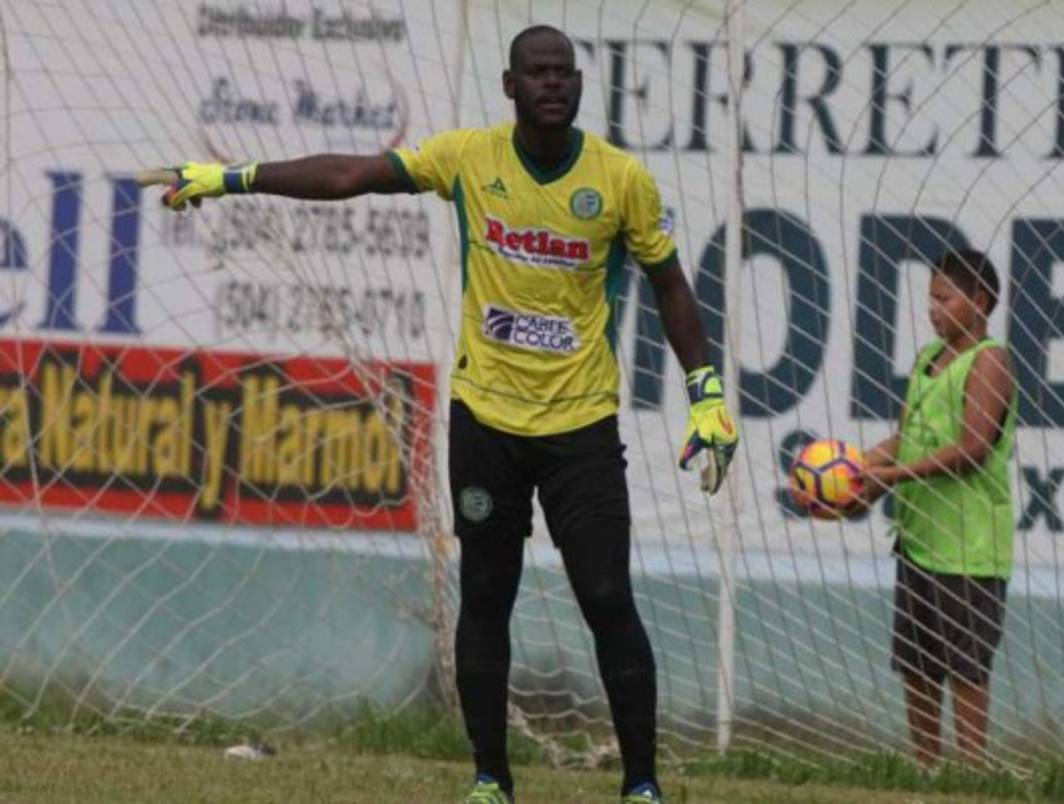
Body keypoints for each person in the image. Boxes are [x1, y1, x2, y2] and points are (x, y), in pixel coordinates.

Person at [142, 24, 738, 804]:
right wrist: (232, 177)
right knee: (488, 592)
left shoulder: (620, 180)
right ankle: (491, 778)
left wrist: (708, 394)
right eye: (537, 72)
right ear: (510, 85)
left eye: (565, 72)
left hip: (580, 429)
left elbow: (670, 287)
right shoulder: (467, 158)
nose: (553, 83)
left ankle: (642, 785)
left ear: (579, 85)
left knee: (605, 596)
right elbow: (352, 173)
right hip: (486, 423)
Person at [852, 249, 1015, 768]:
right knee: (918, 662)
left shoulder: (990, 360)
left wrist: (891, 477)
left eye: (945, 298)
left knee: (965, 665)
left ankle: (970, 774)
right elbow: (907, 439)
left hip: (969, 545)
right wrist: (854, 473)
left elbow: (973, 447)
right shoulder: (928, 359)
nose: (933, 309)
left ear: (980, 301)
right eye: (930, 298)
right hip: (919, 538)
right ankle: (926, 769)